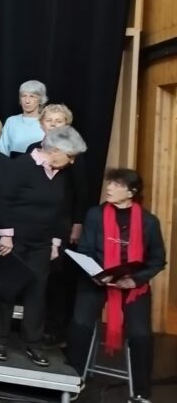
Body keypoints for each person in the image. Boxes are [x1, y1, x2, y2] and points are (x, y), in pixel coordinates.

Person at [65, 169, 166, 403]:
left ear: (131, 192)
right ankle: (73, 380)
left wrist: (135, 279)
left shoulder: (149, 222)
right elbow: (85, 250)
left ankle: (141, 392)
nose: (109, 188)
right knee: (80, 324)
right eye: (109, 183)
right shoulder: (95, 215)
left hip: (132, 283)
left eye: (117, 185)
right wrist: (95, 274)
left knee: (140, 335)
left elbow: (157, 260)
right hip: (98, 280)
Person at [0, 126, 87, 366]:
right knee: (7, 289)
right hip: (14, 241)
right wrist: (6, 236)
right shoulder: (20, 166)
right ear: (55, 150)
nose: (72, 161)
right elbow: (2, 201)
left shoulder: (60, 174)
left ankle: (33, 343)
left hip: (41, 243)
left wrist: (55, 242)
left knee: (37, 292)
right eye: (70, 155)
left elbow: (60, 210)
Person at [0, 80, 48, 157]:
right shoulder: (11, 121)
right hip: (13, 163)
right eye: (24, 96)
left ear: (41, 100)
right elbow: (2, 151)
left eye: (32, 96)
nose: (27, 101)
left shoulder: (47, 122)